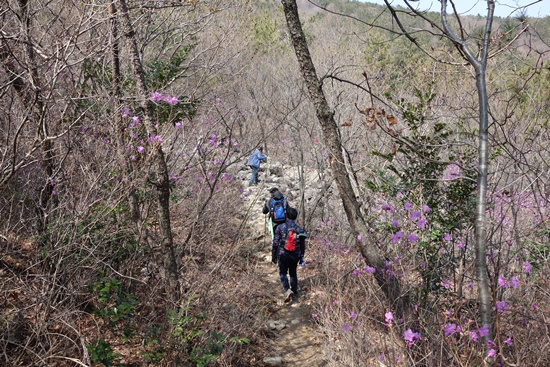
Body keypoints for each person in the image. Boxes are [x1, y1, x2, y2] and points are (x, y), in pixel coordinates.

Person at [272, 207, 308, 302]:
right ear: (295, 217)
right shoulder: (300, 229)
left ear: (286, 216)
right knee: (293, 273)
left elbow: (275, 242)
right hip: (295, 255)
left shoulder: (280, 227)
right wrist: (301, 257)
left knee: (283, 273)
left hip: (283, 254)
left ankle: (287, 290)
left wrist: (274, 255)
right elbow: (302, 246)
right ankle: (295, 293)